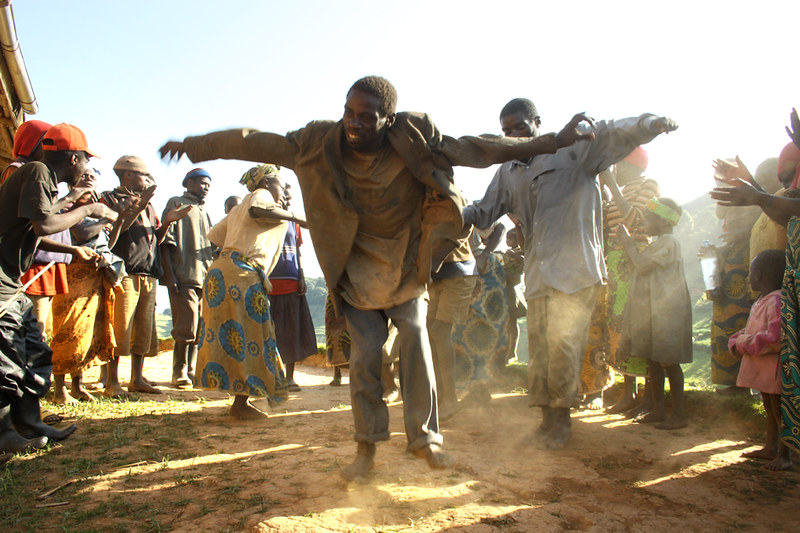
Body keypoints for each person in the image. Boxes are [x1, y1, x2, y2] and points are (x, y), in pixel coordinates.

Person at [159, 75, 593, 479]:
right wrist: (196, 144)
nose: (355, 124)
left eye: (367, 117)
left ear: (388, 120)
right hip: (354, 271)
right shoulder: (319, 142)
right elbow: (255, 142)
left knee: (416, 338)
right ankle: (365, 451)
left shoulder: (415, 139)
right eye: (350, 112)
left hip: (404, 266)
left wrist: (554, 140)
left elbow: (478, 149)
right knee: (366, 355)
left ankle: (425, 441)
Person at [462, 97, 678, 449]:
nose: (513, 135)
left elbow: (609, 132)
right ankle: (547, 420)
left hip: (575, 269)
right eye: (506, 131)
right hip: (538, 273)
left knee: (562, 343)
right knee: (542, 348)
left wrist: (649, 123)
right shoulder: (508, 170)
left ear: (537, 123)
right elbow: (484, 211)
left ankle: (562, 422)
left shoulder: (573, 150)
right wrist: (449, 211)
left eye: (519, 127)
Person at [0, 123, 118, 454]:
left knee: (34, 349)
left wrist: (71, 197)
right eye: (86, 160)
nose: (87, 167)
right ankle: (4, 434)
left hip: (12, 281)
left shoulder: (42, 177)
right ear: (74, 157)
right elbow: (44, 224)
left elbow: (41, 214)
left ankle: (30, 421)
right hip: (2, 279)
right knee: (6, 354)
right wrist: (89, 208)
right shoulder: (35, 170)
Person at [711, 129, 800, 457]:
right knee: (771, 392)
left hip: (784, 301)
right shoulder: (778, 204)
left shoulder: (785, 205)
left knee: (783, 387)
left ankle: (784, 452)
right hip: (772, 299)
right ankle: (773, 444)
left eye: (790, 177)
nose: (789, 186)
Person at [196, 164, 301, 419]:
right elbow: (257, 208)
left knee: (235, 335)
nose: (283, 189)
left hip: (222, 272)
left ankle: (240, 401)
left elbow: (216, 236)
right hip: (240, 275)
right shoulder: (258, 196)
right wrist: (296, 218)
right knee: (252, 335)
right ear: (266, 183)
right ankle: (240, 405)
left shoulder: (238, 207)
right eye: (279, 183)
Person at [100, 156, 191, 396]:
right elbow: (113, 235)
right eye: (144, 175)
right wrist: (138, 206)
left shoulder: (149, 206)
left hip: (148, 273)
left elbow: (155, 239)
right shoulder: (111, 199)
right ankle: (112, 381)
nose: (149, 180)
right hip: (124, 273)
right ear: (127, 174)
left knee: (142, 330)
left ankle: (136, 378)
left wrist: (168, 223)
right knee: (120, 328)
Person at [50, 168, 131, 403]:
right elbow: (80, 231)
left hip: (95, 277)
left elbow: (109, 241)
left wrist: (117, 218)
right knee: (68, 331)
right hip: (72, 277)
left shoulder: (97, 212)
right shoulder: (65, 209)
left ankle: (77, 385)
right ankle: (60, 389)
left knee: (88, 333)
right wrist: (108, 217)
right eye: (84, 176)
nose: (88, 181)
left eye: (93, 179)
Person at [617, 197, 692, 430]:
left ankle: (678, 415)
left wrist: (627, 243)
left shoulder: (668, 242)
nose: (645, 222)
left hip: (667, 312)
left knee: (667, 361)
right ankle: (658, 411)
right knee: (653, 361)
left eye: (649, 218)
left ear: (662, 220)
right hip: (655, 311)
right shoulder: (660, 242)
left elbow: (641, 265)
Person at [599, 148, 660, 414]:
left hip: (636, 261)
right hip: (616, 264)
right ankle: (629, 393)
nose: (615, 171)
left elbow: (637, 219)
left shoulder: (650, 185)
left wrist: (612, 186)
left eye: (618, 166)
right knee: (619, 329)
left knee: (638, 326)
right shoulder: (618, 192)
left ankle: (649, 398)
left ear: (630, 164)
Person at [729, 250, 791, 470]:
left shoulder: (776, 300)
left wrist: (743, 343)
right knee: (769, 405)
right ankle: (771, 447)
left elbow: (775, 338)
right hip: (764, 368)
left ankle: (785, 455)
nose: (748, 277)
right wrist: (737, 339)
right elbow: (753, 328)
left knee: (779, 409)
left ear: (759, 275)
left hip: (773, 368)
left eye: (751, 272)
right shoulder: (763, 300)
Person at [161, 168, 214, 387]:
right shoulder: (177, 203)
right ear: (188, 183)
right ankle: (179, 371)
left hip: (204, 277)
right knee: (186, 326)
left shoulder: (204, 211)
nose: (206, 188)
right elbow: (165, 242)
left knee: (199, 327)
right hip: (183, 275)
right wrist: (170, 275)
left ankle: (192, 370)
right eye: (202, 183)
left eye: (209, 185)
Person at [268, 182, 317, 392]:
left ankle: (289, 378)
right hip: (269, 282)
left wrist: (302, 276)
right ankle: (271, 377)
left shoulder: (294, 222)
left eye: (289, 197)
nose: (286, 200)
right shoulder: (266, 219)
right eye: (283, 196)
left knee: (291, 331)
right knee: (271, 332)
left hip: (291, 281)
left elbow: (298, 252)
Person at [428, 226, 479, 420]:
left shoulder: (452, 196)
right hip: (435, 274)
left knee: (439, 331)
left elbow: (464, 228)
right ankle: (440, 397)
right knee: (429, 333)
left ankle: (450, 400)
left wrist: (434, 261)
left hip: (459, 271)